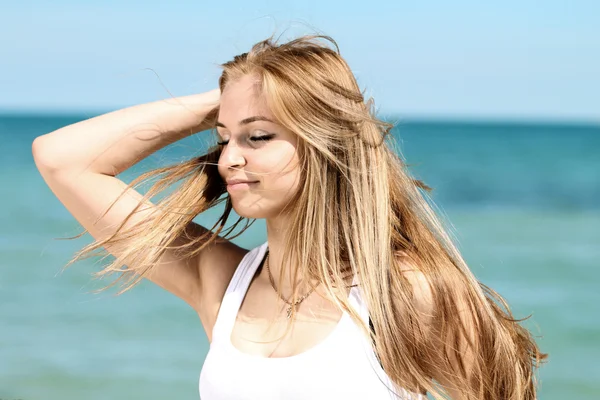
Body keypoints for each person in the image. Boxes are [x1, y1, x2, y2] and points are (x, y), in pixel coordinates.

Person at [32, 34, 546, 399]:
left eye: (258, 136)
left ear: (326, 145)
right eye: (223, 137)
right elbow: (63, 159)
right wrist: (234, 94)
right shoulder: (223, 285)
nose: (230, 157)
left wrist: (281, 93)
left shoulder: (406, 291)